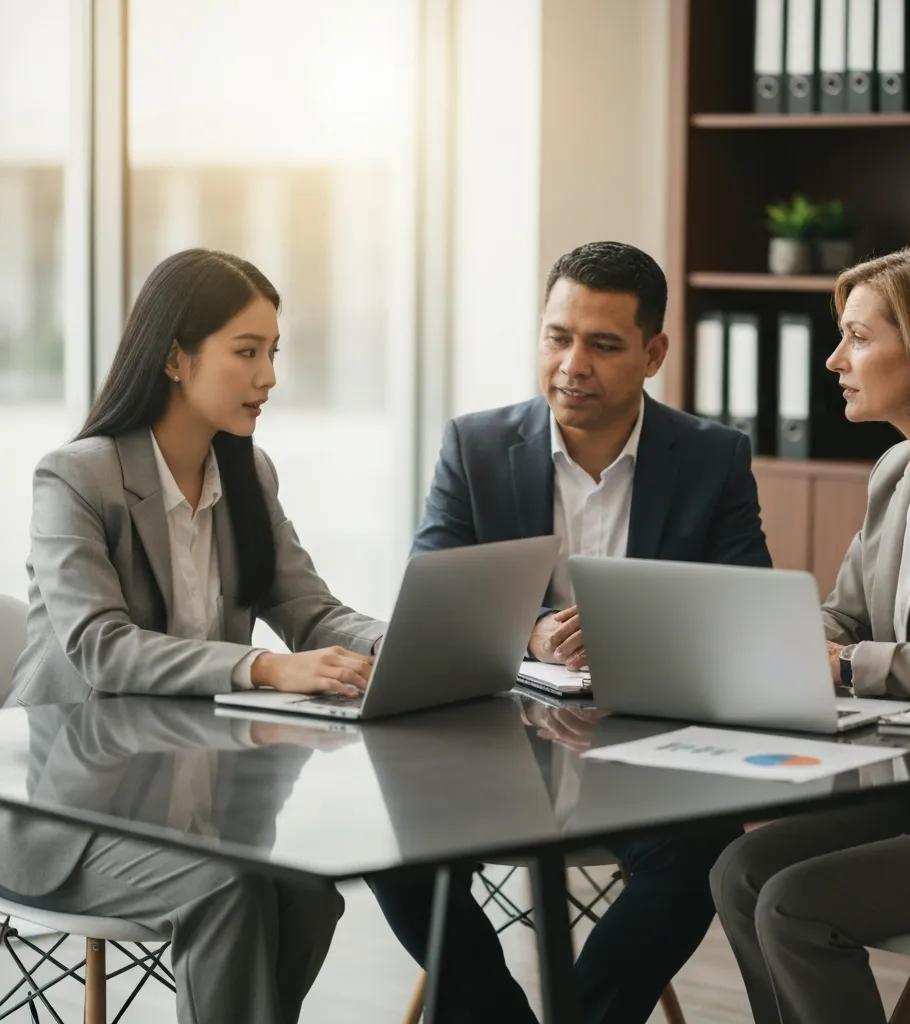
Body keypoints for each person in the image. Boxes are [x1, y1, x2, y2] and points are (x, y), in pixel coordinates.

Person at [371, 241, 772, 1023]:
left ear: (654, 352)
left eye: (603, 344)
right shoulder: (477, 446)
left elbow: (743, 613)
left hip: (646, 752)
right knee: (393, 847)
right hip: (499, 751)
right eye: (557, 337)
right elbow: (434, 603)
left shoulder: (710, 458)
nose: (571, 365)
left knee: (703, 852)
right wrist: (530, 632)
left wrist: (631, 628)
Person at [7, 248, 387, 1024]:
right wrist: (265, 667)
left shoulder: (249, 474)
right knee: (232, 889)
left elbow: (312, 611)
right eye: (246, 352)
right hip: (73, 819)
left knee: (308, 894)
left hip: (201, 808)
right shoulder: (76, 479)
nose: (269, 377)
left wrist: (412, 643)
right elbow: (102, 649)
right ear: (176, 357)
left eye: (273, 352)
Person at [710, 241, 910, 1024]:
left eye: (857, 336)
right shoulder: (895, 471)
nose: (832, 359)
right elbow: (845, 614)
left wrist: (845, 666)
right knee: (740, 872)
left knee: (794, 907)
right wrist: (775, 639)